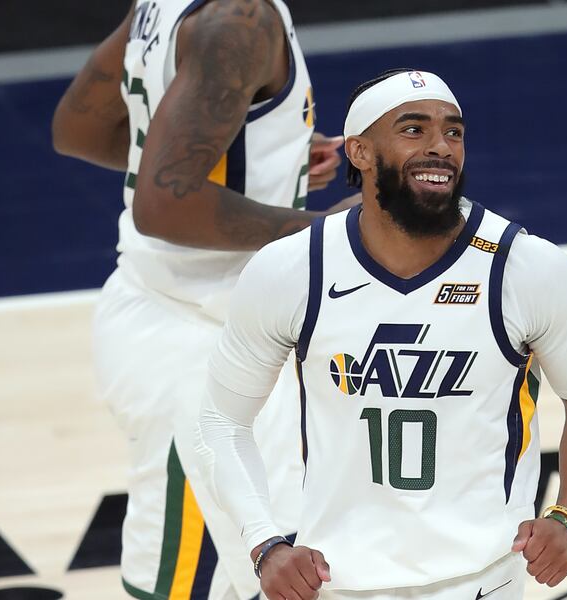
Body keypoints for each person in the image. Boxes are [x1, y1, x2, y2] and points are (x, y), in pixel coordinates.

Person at [195, 68, 567, 599]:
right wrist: (264, 544)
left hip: (486, 580)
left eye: (454, 131)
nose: (441, 146)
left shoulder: (526, 267)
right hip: (339, 584)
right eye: (413, 129)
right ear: (359, 152)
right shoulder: (292, 269)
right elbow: (221, 420)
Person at [51, 1, 357, 598]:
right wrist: (326, 232)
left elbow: (80, 129)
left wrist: (264, 155)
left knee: (208, 575)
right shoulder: (238, 21)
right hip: (206, 342)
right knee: (260, 579)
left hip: (158, 314)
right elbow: (164, 202)